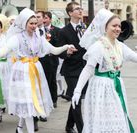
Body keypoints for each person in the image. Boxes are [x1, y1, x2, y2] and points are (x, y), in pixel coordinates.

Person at [0, 8, 77, 133]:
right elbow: (4, 50)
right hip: (22, 72)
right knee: (28, 102)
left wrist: (66, 47)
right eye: (31, 23)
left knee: (30, 102)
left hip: (35, 71)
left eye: (35, 23)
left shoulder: (38, 37)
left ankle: (20, 127)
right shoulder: (16, 38)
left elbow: (53, 50)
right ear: (24, 23)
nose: (34, 26)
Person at [72, 9, 135, 133]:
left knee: (117, 118)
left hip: (115, 86)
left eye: (119, 26)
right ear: (105, 27)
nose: (117, 29)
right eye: (114, 25)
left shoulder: (120, 45)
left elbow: (134, 57)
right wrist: (77, 90)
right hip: (101, 87)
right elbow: (88, 69)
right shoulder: (98, 46)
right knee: (104, 120)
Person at [58, 2, 87, 133]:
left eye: (81, 8)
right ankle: (82, 129)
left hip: (84, 69)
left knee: (77, 98)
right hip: (71, 70)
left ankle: (69, 126)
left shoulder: (85, 28)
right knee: (78, 98)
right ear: (70, 13)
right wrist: (67, 52)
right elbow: (60, 52)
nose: (80, 11)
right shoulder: (63, 31)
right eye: (77, 9)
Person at [40, 11, 60, 108]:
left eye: (46, 18)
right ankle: (45, 99)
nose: (44, 20)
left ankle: (54, 98)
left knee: (52, 79)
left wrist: (51, 37)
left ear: (50, 19)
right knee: (44, 80)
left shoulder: (56, 30)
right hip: (42, 59)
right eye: (43, 18)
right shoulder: (39, 30)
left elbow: (58, 43)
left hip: (52, 59)